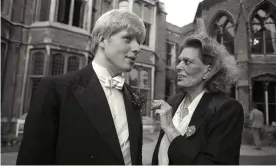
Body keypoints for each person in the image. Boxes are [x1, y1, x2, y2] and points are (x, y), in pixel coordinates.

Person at [16, 9, 146, 165]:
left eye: (139, 42)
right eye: (128, 38)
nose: (137, 48)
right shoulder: (55, 89)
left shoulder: (132, 97)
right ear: (102, 40)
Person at [151, 34, 244, 165]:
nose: (178, 66)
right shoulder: (173, 102)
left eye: (187, 61)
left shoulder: (226, 109)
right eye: (179, 60)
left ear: (208, 70)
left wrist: (170, 129)